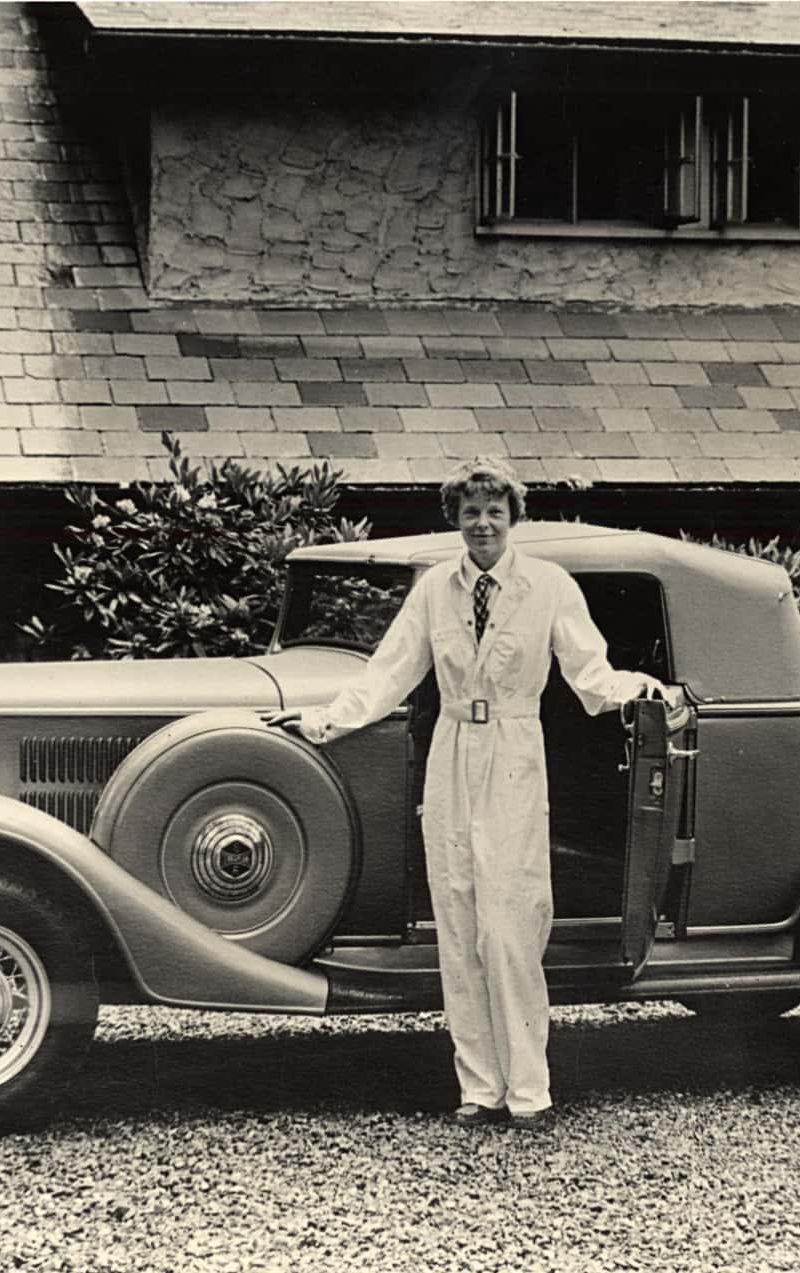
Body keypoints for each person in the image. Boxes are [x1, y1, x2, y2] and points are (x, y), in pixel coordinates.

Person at [271, 458, 678, 1131]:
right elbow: (390, 671)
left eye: (494, 512)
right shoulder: (436, 589)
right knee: (458, 924)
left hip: (517, 755)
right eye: (470, 513)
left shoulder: (547, 586)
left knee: (511, 925)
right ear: (455, 521)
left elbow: (590, 675)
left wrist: (646, 691)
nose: (482, 524)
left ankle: (529, 1092)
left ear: (513, 518)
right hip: (453, 756)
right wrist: (320, 720)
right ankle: (479, 1088)